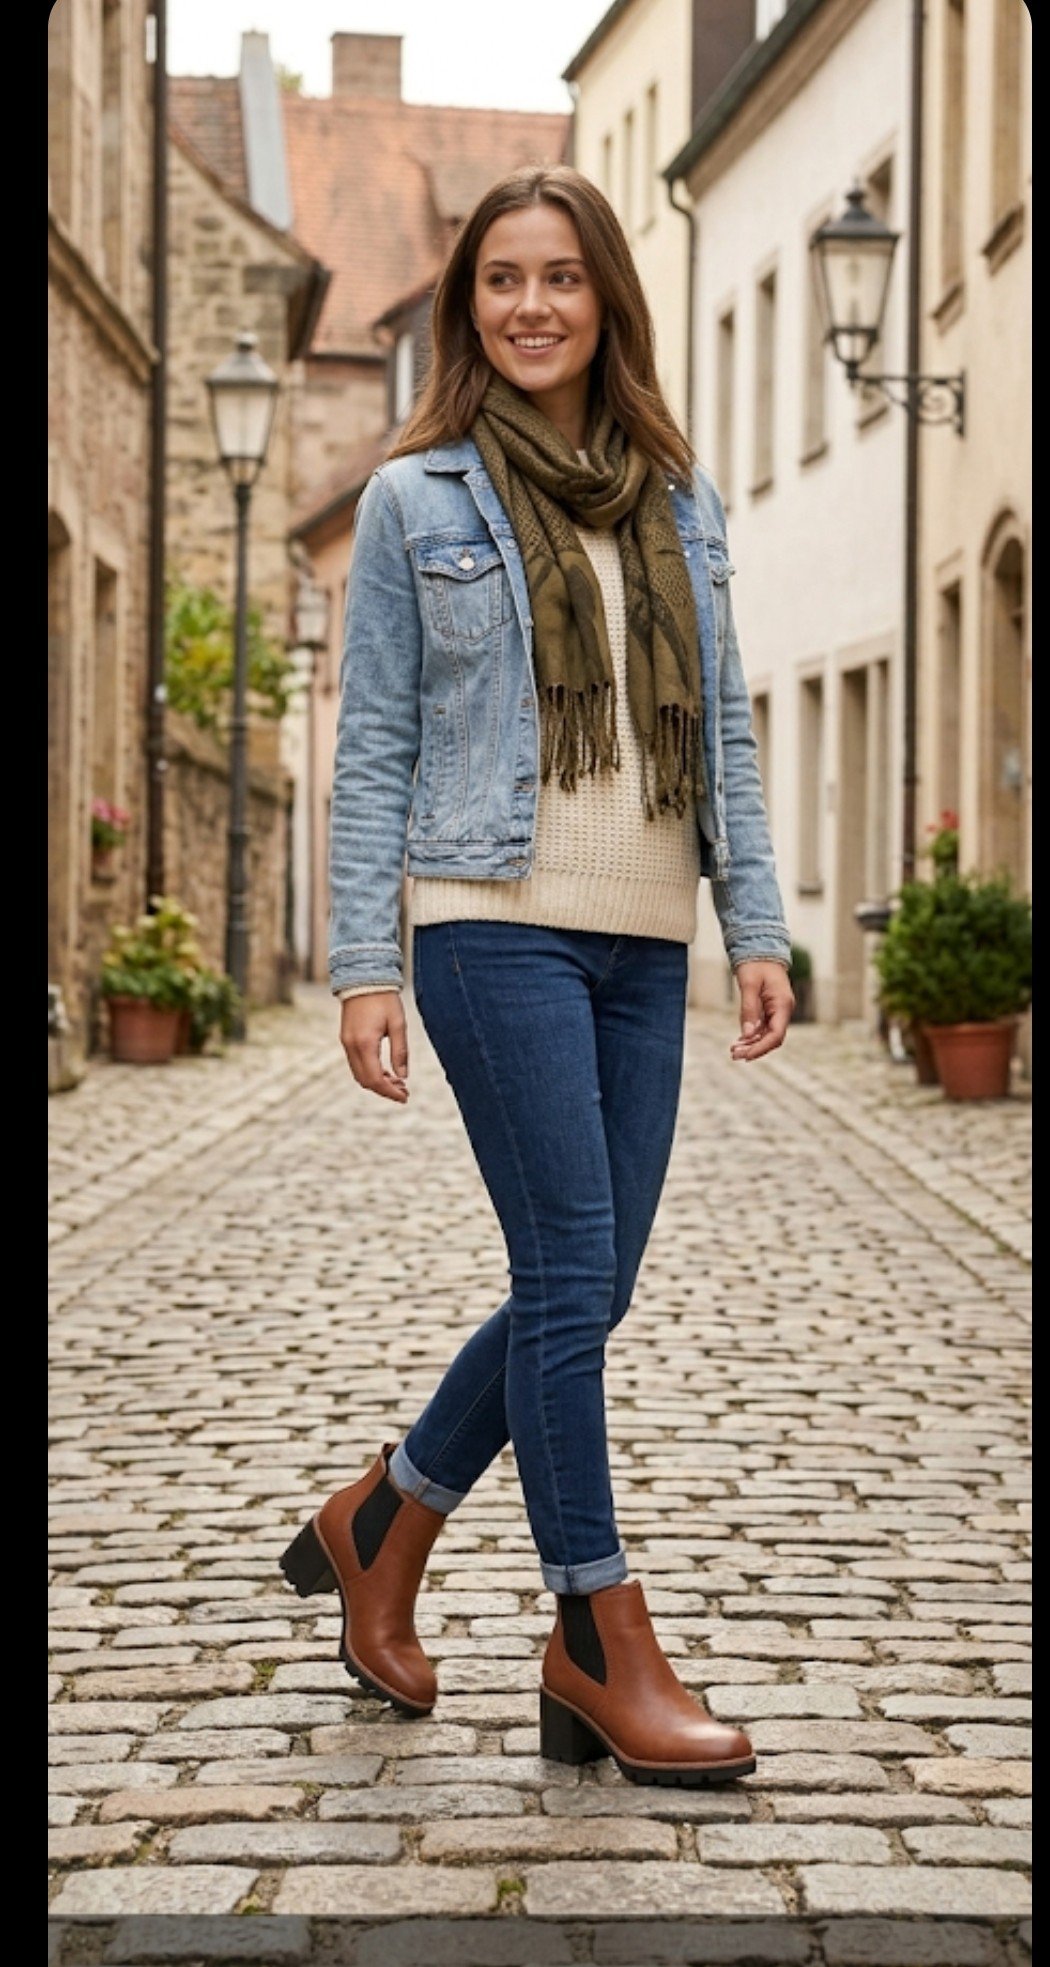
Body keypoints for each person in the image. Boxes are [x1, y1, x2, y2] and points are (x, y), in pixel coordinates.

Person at [281, 166, 793, 1788]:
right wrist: (365, 963)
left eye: (558, 277)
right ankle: (594, 1634)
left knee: (590, 1285)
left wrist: (757, 925)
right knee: (570, 1270)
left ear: (605, 299)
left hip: (646, 938)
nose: (529, 306)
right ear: (467, 307)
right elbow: (372, 744)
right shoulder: (414, 497)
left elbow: (721, 730)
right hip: (488, 918)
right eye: (500, 279)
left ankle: (384, 1522)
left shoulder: (679, 496)